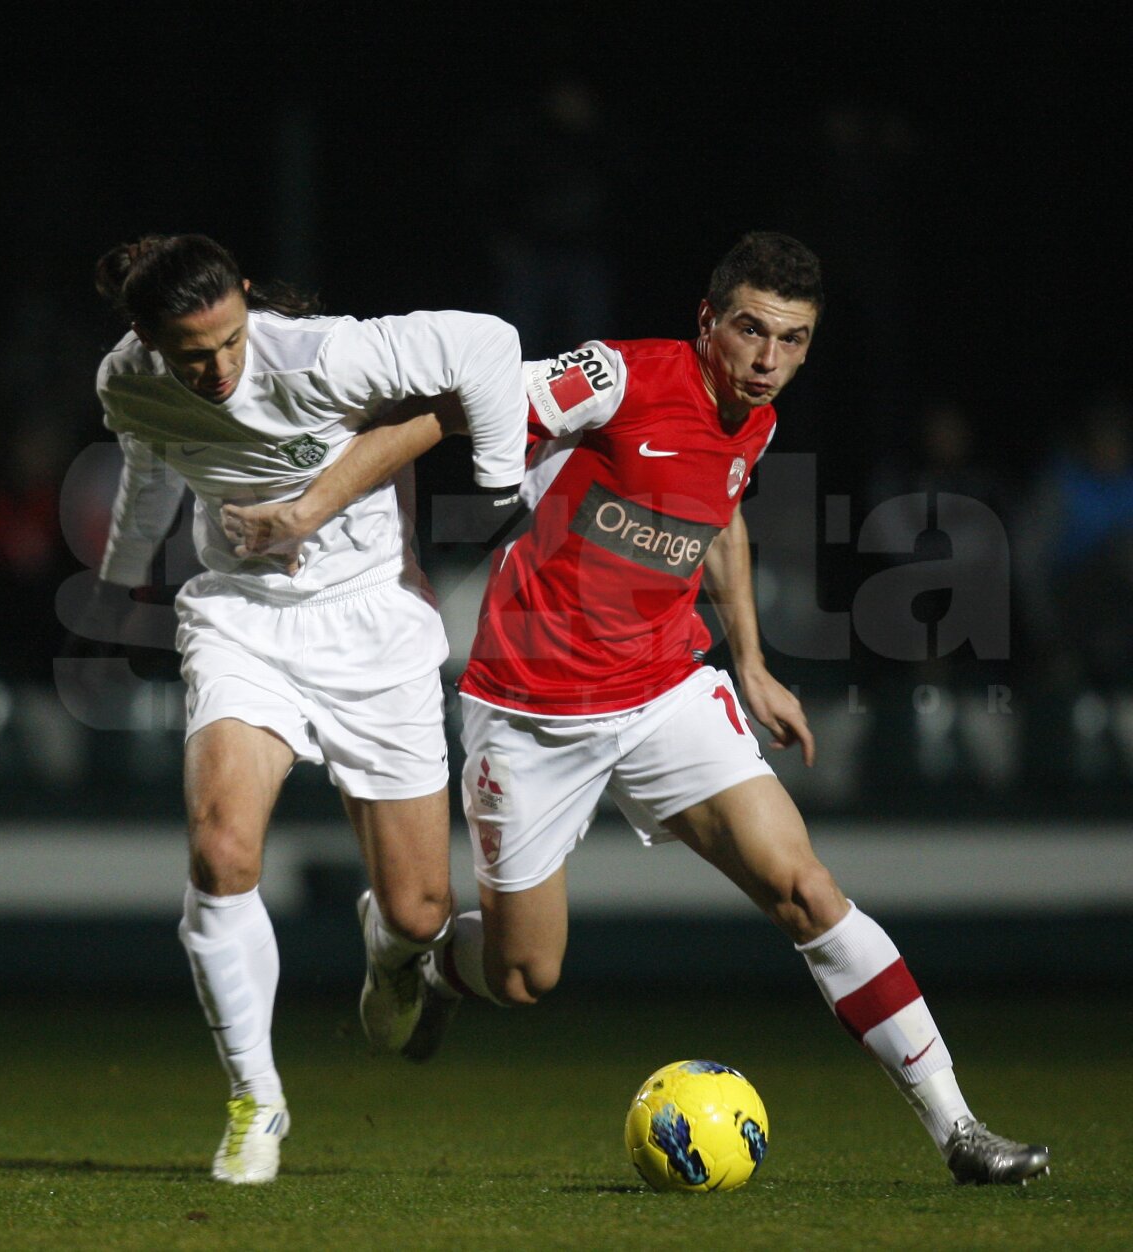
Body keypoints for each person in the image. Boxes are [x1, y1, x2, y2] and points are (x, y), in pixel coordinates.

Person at [374, 231, 1050, 1186]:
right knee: (527, 976)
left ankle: (959, 1130)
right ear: (708, 321)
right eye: (750, 331)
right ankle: (427, 956)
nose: (769, 360)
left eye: (794, 339)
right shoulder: (616, 378)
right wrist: (328, 513)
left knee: (808, 890)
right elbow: (456, 410)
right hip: (530, 704)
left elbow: (719, 508)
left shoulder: (755, 419)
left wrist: (753, 662)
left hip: (665, 689)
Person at [84, 233, 528, 1184]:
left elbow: (489, 347)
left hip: (374, 623)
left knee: (420, 911)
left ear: (249, 301)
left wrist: (498, 483)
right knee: (220, 849)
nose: (219, 368)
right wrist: (118, 582)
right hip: (243, 618)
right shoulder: (127, 382)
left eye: (232, 340)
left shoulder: (325, 352)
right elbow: (155, 463)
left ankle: (392, 951)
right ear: (147, 340)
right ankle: (256, 1101)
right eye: (192, 354)